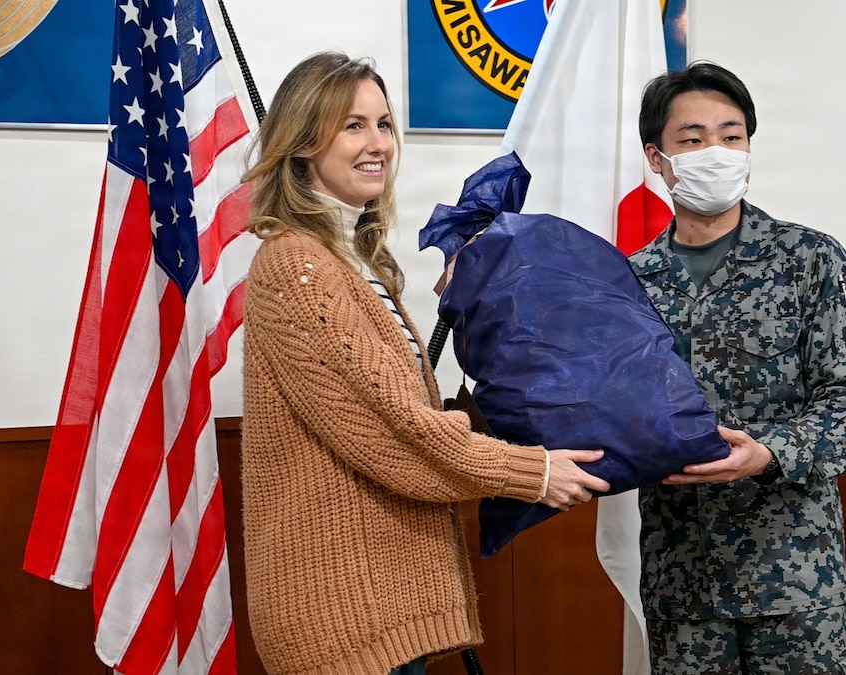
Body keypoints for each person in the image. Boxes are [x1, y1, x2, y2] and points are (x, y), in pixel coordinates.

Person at [238, 51, 610, 675]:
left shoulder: (356, 262)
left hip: (384, 601)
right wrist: (531, 471)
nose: (377, 142)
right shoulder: (295, 265)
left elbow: (407, 409)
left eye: (383, 123)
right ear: (302, 144)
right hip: (342, 613)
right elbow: (394, 437)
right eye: (352, 125)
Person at [628, 62, 846, 674]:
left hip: (795, 578)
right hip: (680, 580)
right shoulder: (628, 282)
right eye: (692, 139)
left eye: (732, 135)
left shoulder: (810, 259)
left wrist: (769, 451)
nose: (715, 152)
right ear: (657, 158)